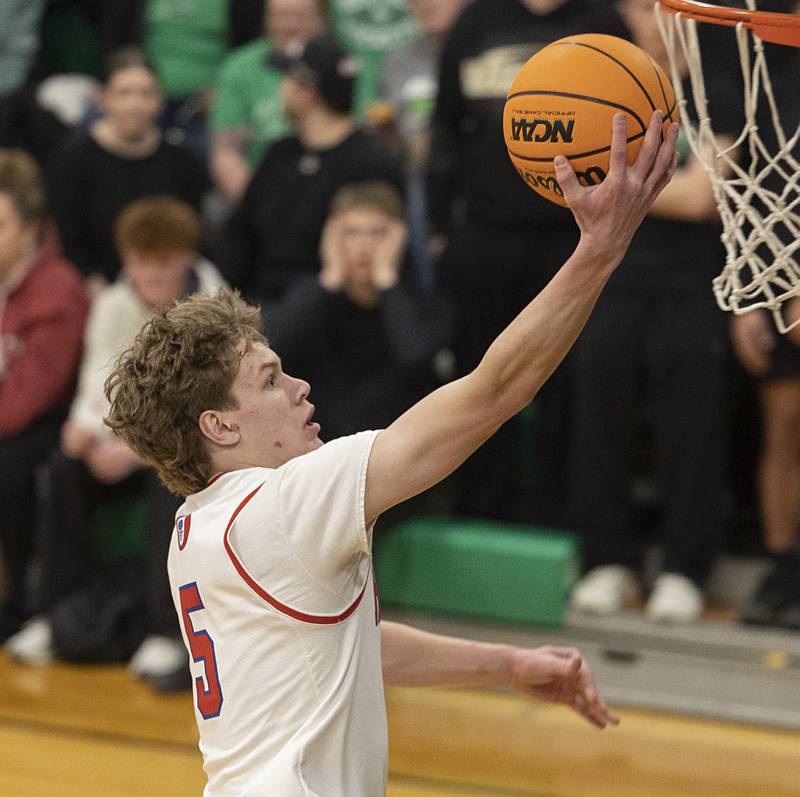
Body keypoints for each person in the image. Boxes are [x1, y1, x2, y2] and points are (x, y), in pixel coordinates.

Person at [102, 111, 678, 795]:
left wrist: (507, 664)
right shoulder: (282, 505)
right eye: (269, 379)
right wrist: (601, 248)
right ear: (219, 427)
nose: (299, 385)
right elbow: (496, 389)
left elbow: (352, 646)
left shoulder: (196, 528)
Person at [568, 0, 743, 623]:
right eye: (643, 5)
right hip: (609, 277)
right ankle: (609, 561)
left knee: (690, 428)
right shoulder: (597, 90)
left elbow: (704, 197)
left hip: (693, 283)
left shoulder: (716, 88)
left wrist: (612, 185)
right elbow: (565, 185)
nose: (655, 18)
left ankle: (684, 569)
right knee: (600, 421)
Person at [5, 196, 227, 683]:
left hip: (188, 451)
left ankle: (166, 633)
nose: (149, 273)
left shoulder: (213, 309)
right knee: (63, 469)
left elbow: (202, 408)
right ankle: (51, 613)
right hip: (127, 442)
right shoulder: (111, 304)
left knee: (171, 488)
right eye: (139, 261)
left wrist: (131, 454)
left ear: (185, 258)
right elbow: (98, 380)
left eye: (162, 262)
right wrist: (84, 428)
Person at [427, 0, 630, 524]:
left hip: (571, 240)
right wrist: (438, 226)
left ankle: (555, 514)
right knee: (478, 374)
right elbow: (445, 126)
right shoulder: (476, 21)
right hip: (485, 233)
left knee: (564, 382)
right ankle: (476, 508)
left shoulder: (604, 22)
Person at [217, 34, 404, 312]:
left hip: (330, 311)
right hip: (258, 304)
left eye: (287, 79)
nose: (281, 88)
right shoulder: (280, 153)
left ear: (307, 89)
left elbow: (369, 267)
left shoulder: (372, 163)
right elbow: (241, 236)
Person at [267, 181, 452, 441]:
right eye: (351, 232)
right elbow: (273, 346)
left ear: (399, 237)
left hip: (399, 443)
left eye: (377, 233)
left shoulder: (419, 300)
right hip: (322, 444)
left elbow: (416, 358)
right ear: (330, 236)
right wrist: (330, 278)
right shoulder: (310, 297)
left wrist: (386, 280)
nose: (364, 246)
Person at [0, 149, 89, 641]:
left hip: (44, 422)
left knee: (10, 469)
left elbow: (27, 399)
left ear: (31, 229)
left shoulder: (57, 288)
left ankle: (20, 603)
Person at [731, 2, 800, 630]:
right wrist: (757, 292)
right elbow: (759, 192)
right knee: (783, 430)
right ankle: (783, 571)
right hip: (785, 278)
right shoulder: (774, 71)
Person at [47, 47, 208, 287]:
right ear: (103, 98)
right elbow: (68, 240)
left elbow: (191, 236)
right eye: (124, 93)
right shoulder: (73, 159)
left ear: (160, 100)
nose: (135, 104)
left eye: (146, 93)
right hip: (94, 288)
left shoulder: (183, 161)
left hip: (170, 287)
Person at [209, 0, 327, 203]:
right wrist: (257, 204)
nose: (290, 25)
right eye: (280, 15)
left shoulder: (338, 65)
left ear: (322, 21)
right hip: (260, 187)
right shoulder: (240, 67)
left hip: (328, 185)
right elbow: (226, 152)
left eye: (300, 16)